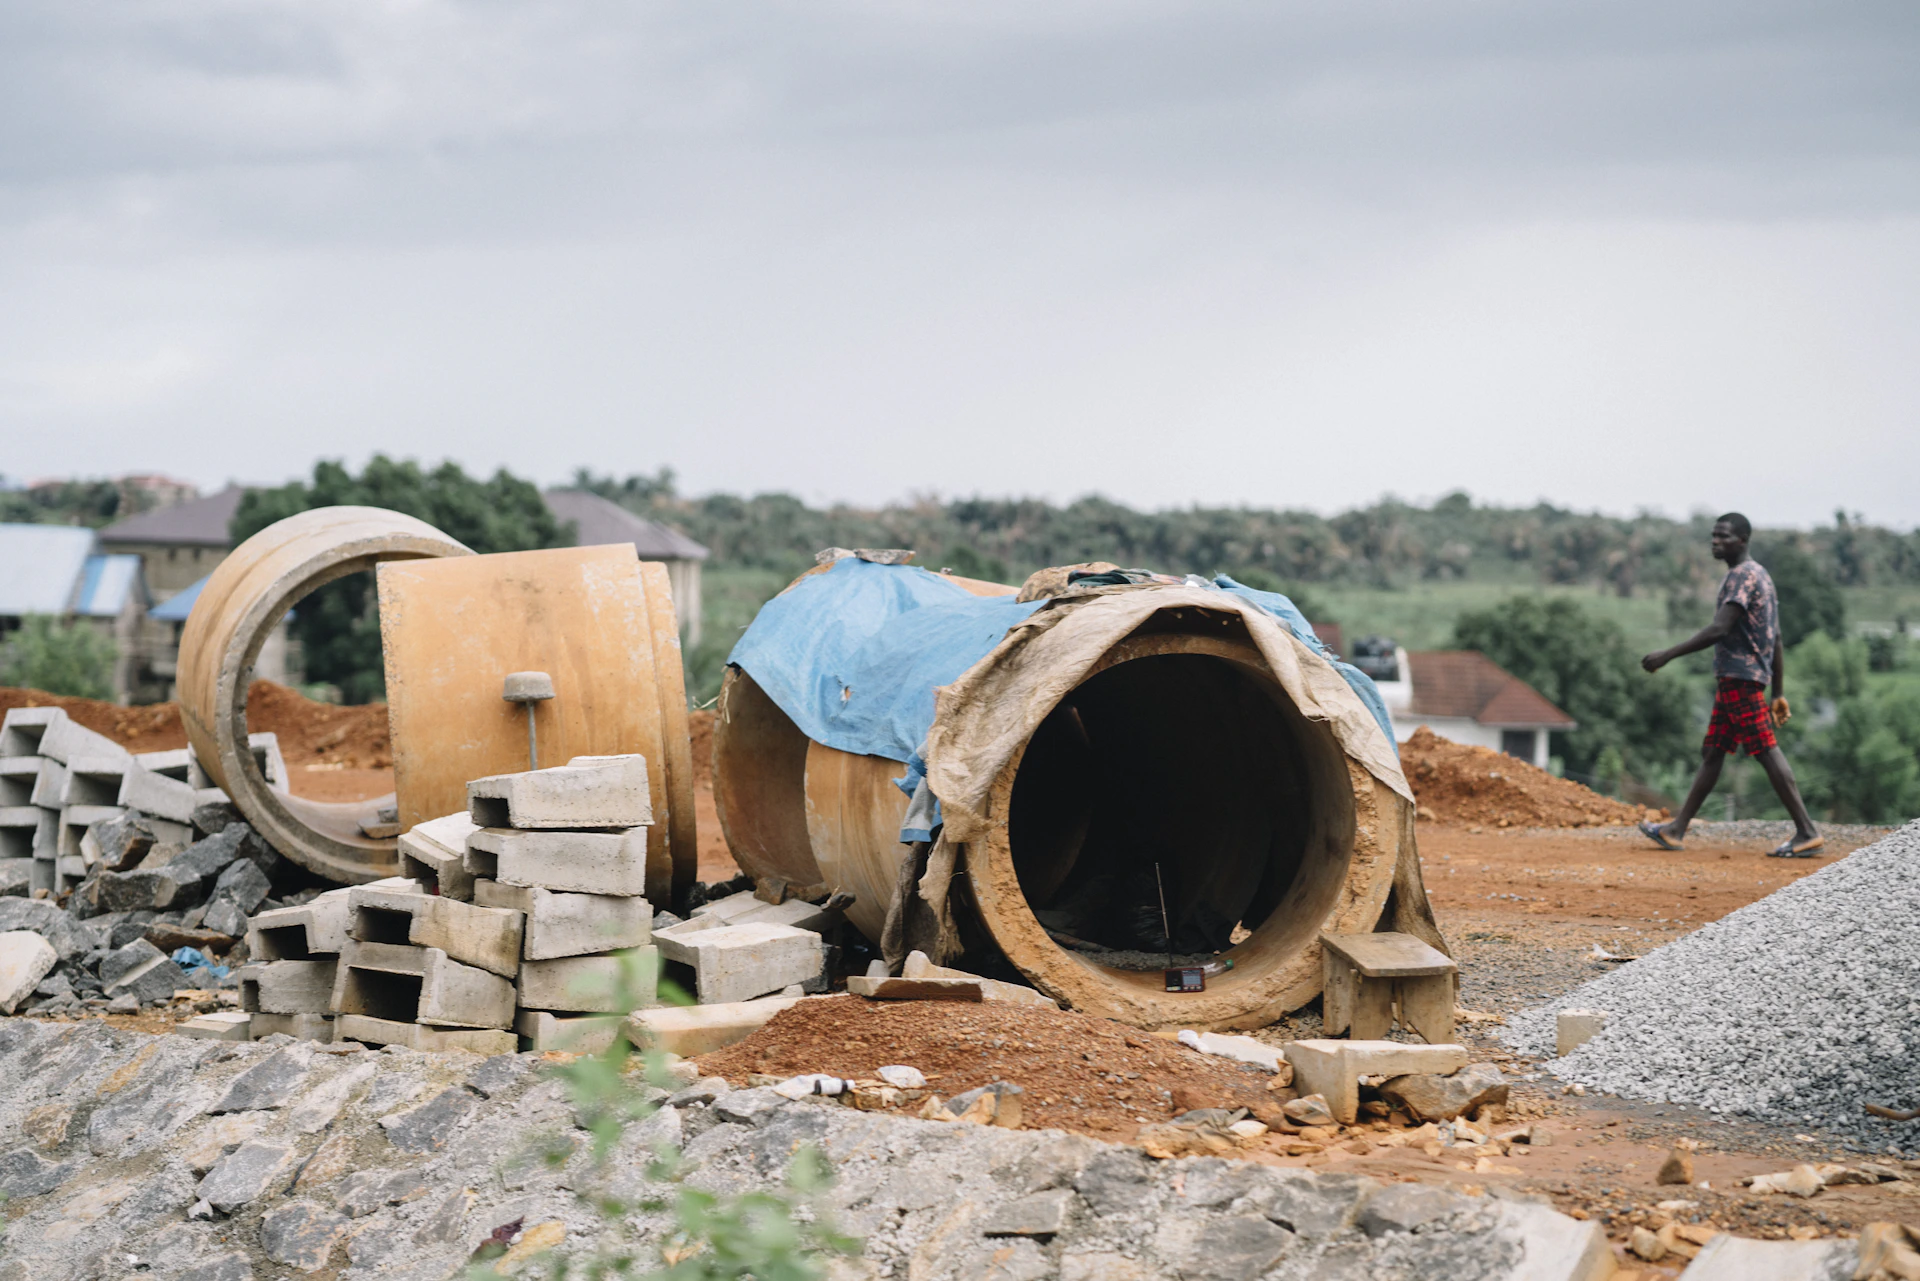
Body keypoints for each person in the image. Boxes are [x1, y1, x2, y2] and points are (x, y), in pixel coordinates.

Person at [1638, 512, 1824, 857]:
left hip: (1740, 679)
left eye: (1723, 536)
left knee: (1766, 749)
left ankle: (1807, 832)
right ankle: (1676, 830)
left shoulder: (1742, 577)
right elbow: (1776, 637)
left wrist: (1668, 654)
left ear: (1742, 540)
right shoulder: (1762, 576)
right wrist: (1778, 692)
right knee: (1713, 752)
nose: (1715, 541)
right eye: (1713, 535)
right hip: (1740, 680)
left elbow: (1719, 629)